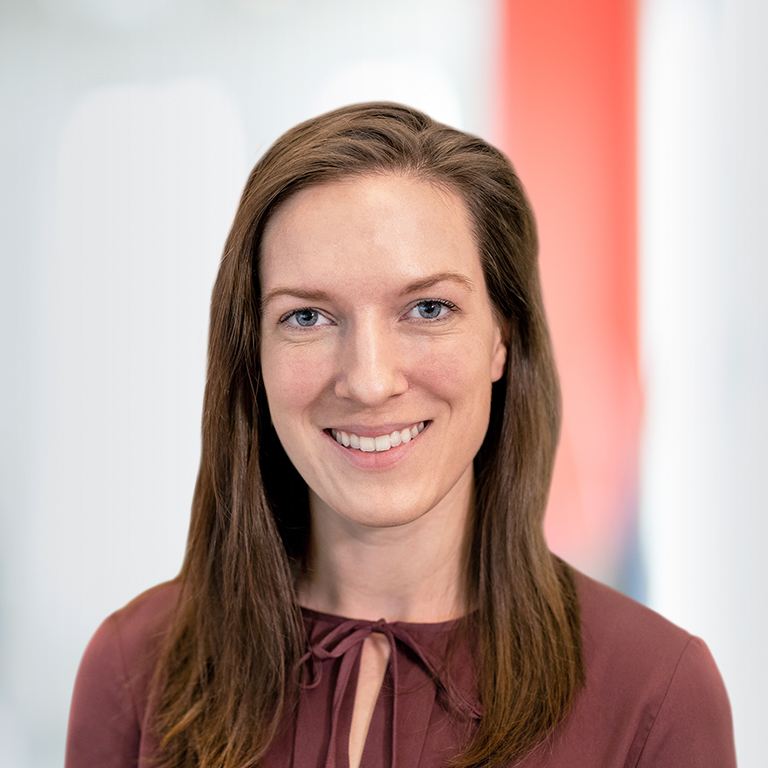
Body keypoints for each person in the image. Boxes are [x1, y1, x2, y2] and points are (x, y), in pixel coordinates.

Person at [65, 102, 736, 768]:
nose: (368, 380)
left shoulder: (656, 691)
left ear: (502, 336)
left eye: (428, 308)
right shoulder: (134, 668)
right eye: (307, 317)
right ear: (253, 354)